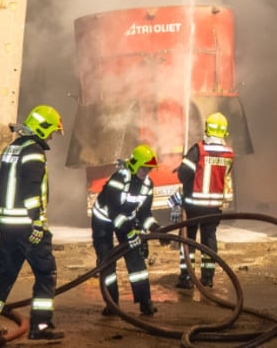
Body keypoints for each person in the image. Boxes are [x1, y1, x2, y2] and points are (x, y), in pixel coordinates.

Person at [0, 105, 65, 342]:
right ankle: (41, 327)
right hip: (27, 227)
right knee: (46, 273)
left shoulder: (10, 149)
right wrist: (36, 222)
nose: (52, 136)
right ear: (42, 128)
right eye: (52, 131)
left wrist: (9, 207)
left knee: (4, 275)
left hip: (7, 226)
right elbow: (31, 191)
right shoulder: (34, 151)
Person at [90, 144, 164, 317]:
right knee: (107, 261)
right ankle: (112, 304)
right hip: (104, 220)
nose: (147, 172)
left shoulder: (148, 185)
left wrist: (156, 228)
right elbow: (114, 212)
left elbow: (144, 213)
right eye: (144, 168)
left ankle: (145, 303)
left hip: (126, 221)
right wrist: (131, 233)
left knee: (136, 260)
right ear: (135, 164)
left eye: (150, 169)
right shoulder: (119, 179)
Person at [175, 111, 235, 289]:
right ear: (224, 132)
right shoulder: (229, 153)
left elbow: (183, 174)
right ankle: (207, 278)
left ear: (207, 129)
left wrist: (183, 165)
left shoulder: (198, 150)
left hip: (193, 205)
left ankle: (186, 278)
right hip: (213, 206)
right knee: (209, 241)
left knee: (188, 241)